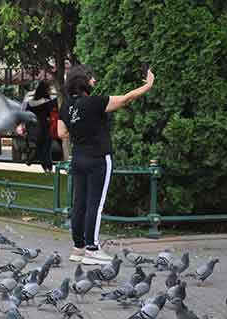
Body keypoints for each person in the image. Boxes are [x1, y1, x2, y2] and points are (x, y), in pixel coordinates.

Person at [58, 65, 155, 265]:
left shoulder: (66, 105)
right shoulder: (95, 102)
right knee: (96, 204)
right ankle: (92, 249)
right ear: (84, 81)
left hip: (78, 158)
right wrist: (148, 85)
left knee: (79, 204)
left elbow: (61, 133)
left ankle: (78, 248)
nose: (94, 81)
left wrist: (80, 131)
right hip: (99, 158)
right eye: (91, 78)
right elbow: (126, 98)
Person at [23, 81, 58, 172]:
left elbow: (26, 115)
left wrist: (25, 127)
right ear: (45, 90)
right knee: (46, 148)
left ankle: (42, 165)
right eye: (49, 89)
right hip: (45, 127)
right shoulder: (49, 102)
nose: (50, 90)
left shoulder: (30, 102)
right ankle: (47, 167)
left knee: (40, 147)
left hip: (33, 128)